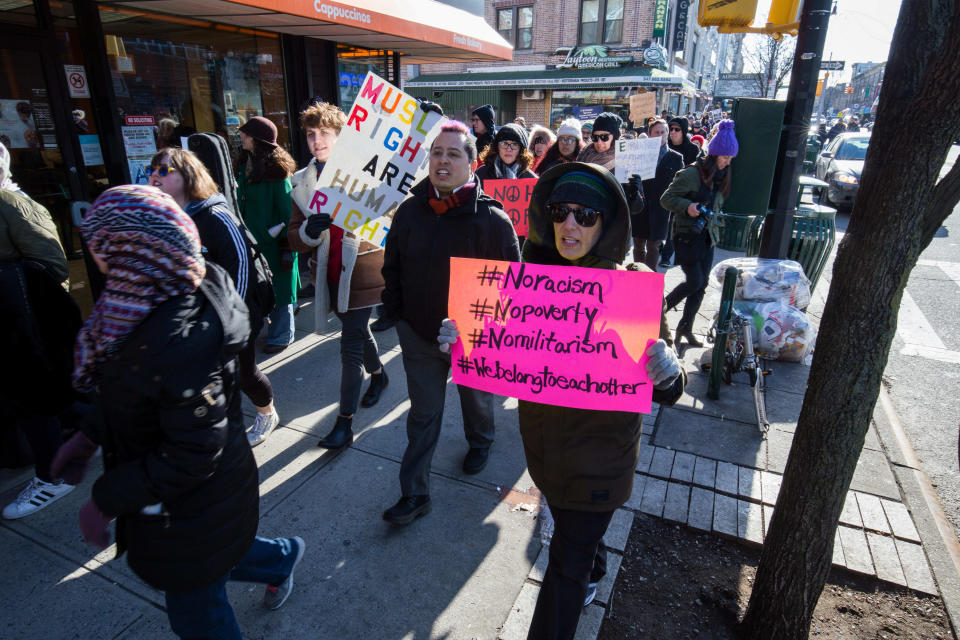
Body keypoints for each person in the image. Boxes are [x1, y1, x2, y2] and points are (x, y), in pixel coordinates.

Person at [436, 162, 685, 640]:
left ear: (607, 221)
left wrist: (667, 371)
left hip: (600, 463)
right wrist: (458, 338)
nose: (570, 225)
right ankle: (594, 565)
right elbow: (492, 351)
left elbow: (672, 391)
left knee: (564, 567)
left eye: (586, 215)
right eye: (560, 212)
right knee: (579, 543)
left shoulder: (633, 286)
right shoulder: (525, 285)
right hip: (547, 455)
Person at [51, 185, 304, 639]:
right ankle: (282, 557)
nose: (97, 259)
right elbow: (128, 391)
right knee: (221, 556)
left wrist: (106, 498)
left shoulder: (177, 333)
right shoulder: (142, 302)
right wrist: (90, 435)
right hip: (199, 502)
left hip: (192, 503)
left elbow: (191, 452)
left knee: (197, 613)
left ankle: (282, 557)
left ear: (135, 252)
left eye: (104, 247)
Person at [380, 121, 520, 526]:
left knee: (476, 401)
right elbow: (393, 268)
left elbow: (513, 286)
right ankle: (414, 493)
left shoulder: (493, 221)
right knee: (423, 416)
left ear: (472, 163)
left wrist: (486, 333)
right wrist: (400, 315)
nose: (443, 161)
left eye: (454, 153)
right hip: (420, 336)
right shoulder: (408, 211)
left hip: (473, 340)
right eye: (437, 153)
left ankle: (481, 441)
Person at [147, 146, 280, 448]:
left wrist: (232, 319)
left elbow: (242, 267)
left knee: (244, 373)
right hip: (198, 318)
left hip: (236, 312)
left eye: (164, 170)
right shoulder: (165, 218)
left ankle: (266, 413)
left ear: (188, 175)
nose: (155, 176)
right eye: (152, 170)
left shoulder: (215, 215)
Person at [287, 101, 388, 450]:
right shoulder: (300, 181)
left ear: (341, 137)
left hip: (362, 273)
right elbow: (293, 237)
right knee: (356, 333)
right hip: (327, 276)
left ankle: (344, 424)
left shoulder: (366, 172)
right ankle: (380, 375)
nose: (318, 141)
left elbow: (398, 197)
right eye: (312, 135)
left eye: (325, 133)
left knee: (349, 348)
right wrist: (309, 233)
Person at [0, 148, 81, 520]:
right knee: (43, 398)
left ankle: (53, 476)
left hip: (26, 322)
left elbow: (52, 265)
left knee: (37, 398)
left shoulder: (11, 203)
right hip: (15, 320)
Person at [662, 119, 739, 348]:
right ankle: (659, 310)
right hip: (686, 235)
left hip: (707, 237)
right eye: (725, 158)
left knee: (702, 284)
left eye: (730, 159)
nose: (727, 162)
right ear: (714, 155)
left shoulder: (721, 176)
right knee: (694, 281)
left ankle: (685, 328)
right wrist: (688, 206)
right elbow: (666, 199)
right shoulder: (690, 174)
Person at [236, 116, 298, 354]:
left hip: (273, 244)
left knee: (280, 291)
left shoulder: (277, 172)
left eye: (246, 133)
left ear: (257, 139)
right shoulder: (246, 164)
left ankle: (283, 335)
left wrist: (285, 247)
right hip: (252, 243)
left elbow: (289, 213)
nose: (241, 136)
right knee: (263, 289)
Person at [577, 112, 645, 241]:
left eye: (604, 137)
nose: (599, 142)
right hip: (584, 224)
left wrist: (634, 193)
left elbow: (636, 208)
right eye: (595, 137)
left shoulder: (625, 159)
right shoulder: (584, 155)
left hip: (611, 231)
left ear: (614, 137)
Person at [633, 119, 684, 272]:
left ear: (667, 134)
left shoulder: (676, 158)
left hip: (661, 208)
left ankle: (650, 276)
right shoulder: (638, 154)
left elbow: (680, 184)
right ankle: (637, 275)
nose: (660, 135)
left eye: (663, 132)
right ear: (649, 135)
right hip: (641, 205)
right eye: (656, 132)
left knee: (654, 246)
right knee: (638, 244)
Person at [474, 123, 538, 188]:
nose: (509, 149)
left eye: (515, 144)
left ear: (521, 149)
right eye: (504, 143)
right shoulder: (481, 174)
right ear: (496, 147)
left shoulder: (530, 180)